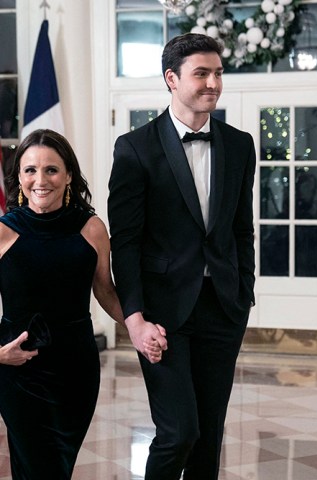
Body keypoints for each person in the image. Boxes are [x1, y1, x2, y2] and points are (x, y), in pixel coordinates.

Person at [108, 33, 256, 480]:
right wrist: (134, 318)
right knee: (179, 432)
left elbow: (241, 229)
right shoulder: (135, 148)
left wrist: (243, 292)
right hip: (163, 313)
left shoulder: (240, 144)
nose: (213, 82)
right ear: (172, 79)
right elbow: (126, 242)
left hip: (222, 309)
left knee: (209, 435)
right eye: (201, 73)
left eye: (218, 73)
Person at [0, 128, 161, 480]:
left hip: (76, 370)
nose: (40, 180)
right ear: (19, 178)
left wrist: (139, 326)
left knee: (55, 467)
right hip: (19, 371)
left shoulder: (91, 229)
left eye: (51, 169)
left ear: (69, 174)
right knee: (43, 467)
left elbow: (105, 291)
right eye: (30, 170)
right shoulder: (4, 231)